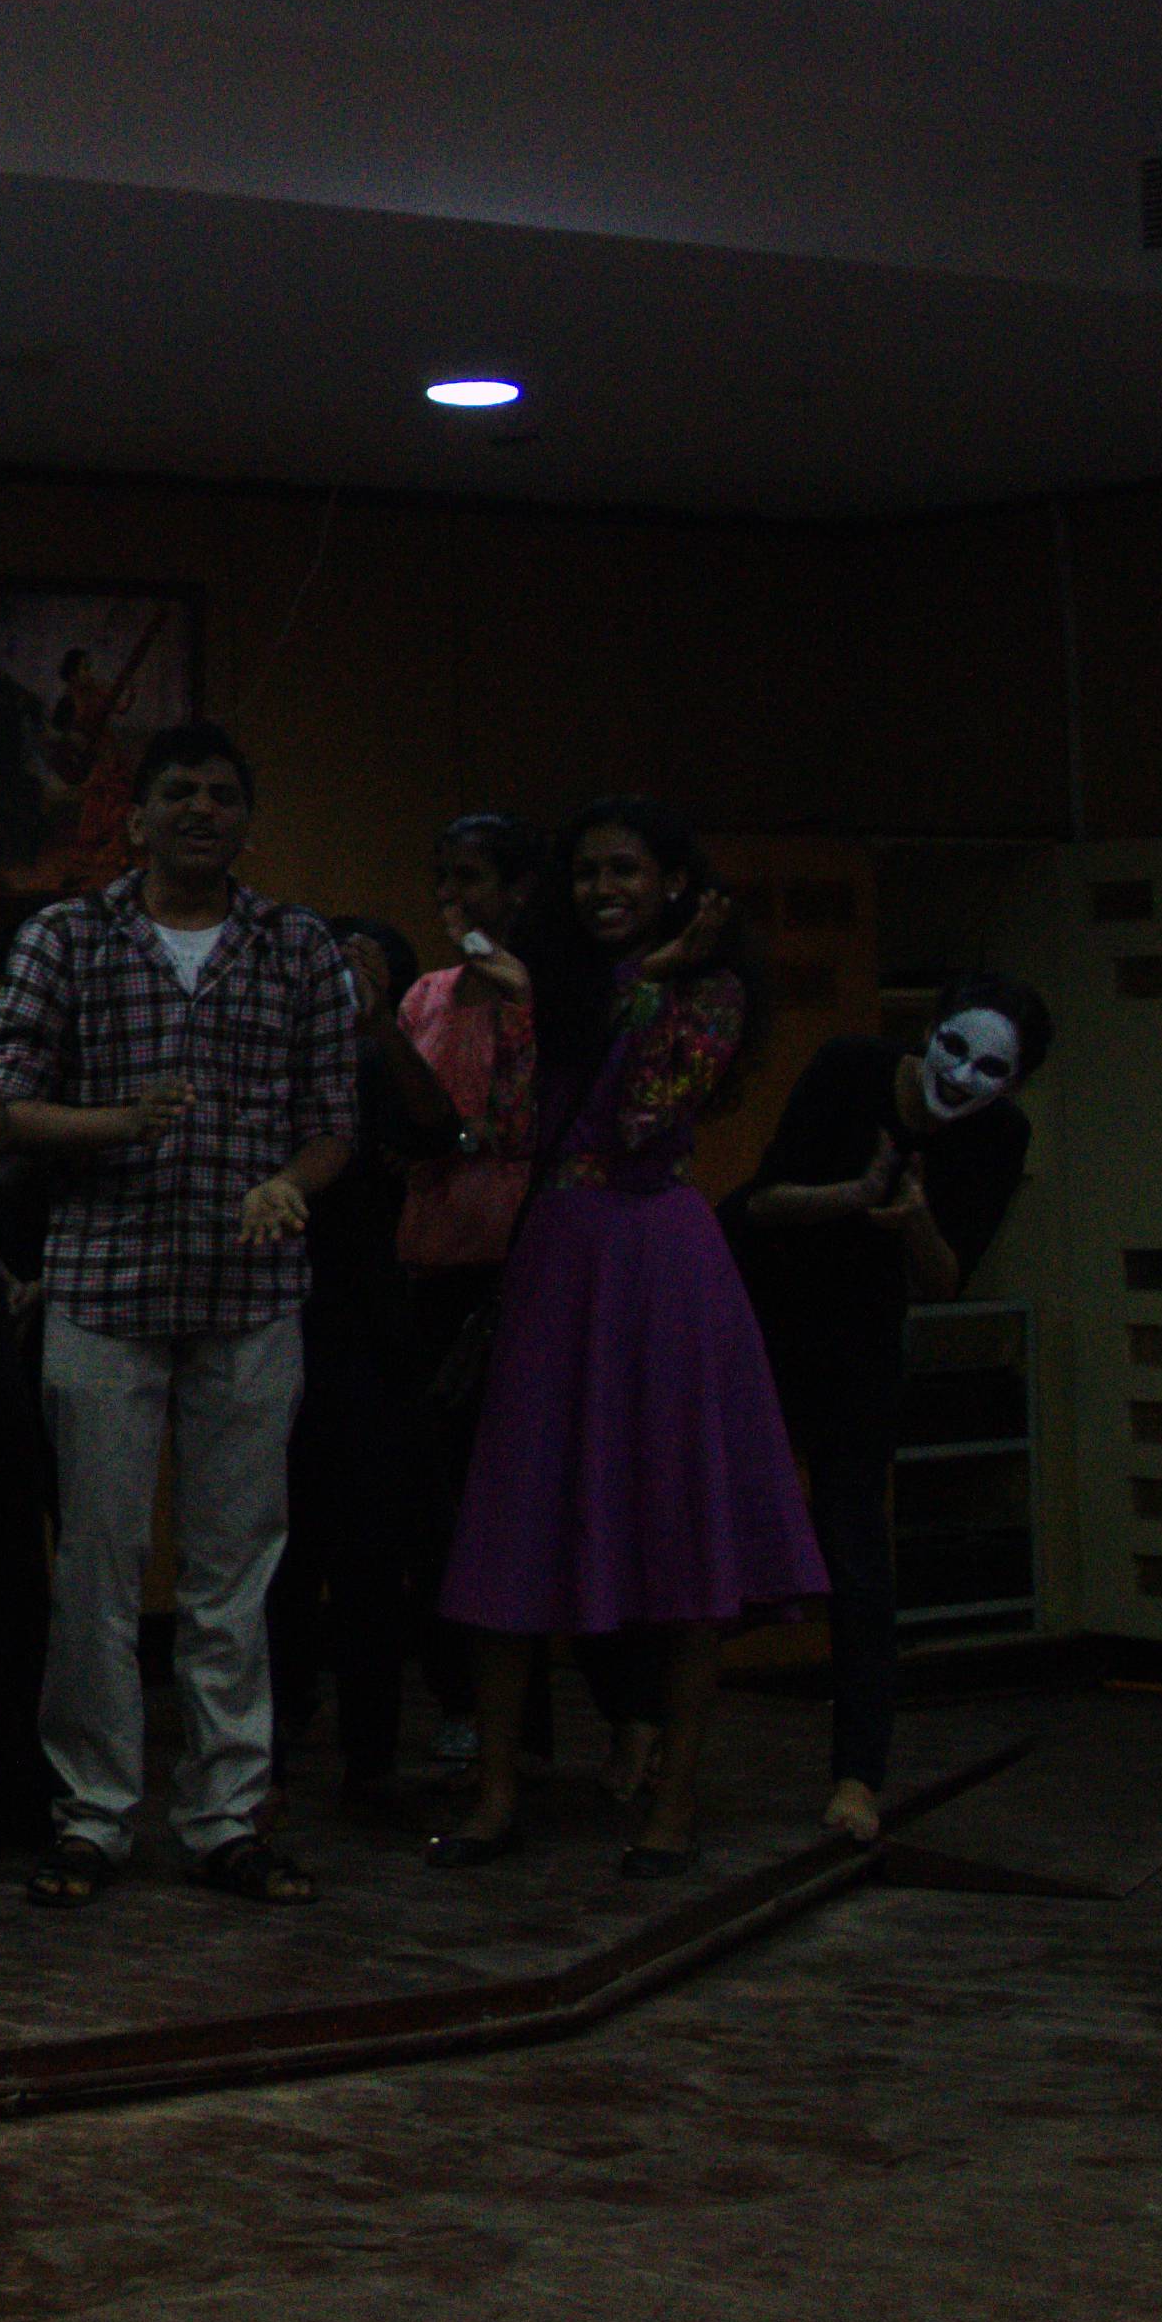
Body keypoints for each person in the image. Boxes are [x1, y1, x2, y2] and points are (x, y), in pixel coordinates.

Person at [0, 721, 358, 1912]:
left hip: (250, 1297)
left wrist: (293, 1182)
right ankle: (91, 1816)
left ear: (247, 819)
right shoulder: (67, 934)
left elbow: (333, 1117)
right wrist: (115, 1124)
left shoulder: (298, 944)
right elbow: (0, 1100)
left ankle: (226, 1817)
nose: (201, 810)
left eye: (223, 794)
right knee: (96, 1564)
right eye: (178, 792)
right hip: (103, 1290)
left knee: (234, 1572)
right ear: (132, 819)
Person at [442, 799, 828, 1872]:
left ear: (674, 883)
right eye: (585, 872)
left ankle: (673, 1805)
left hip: (659, 1258)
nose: (601, 889)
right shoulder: (548, 980)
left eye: (624, 870)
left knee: (683, 1525)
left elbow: (645, 1114)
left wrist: (652, 978)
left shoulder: (714, 989)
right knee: (516, 1514)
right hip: (558, 1255)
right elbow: (512, 1123)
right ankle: (494, 1797)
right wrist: (544, 1002)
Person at [728, 979, 1054, 1840]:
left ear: (1013, 1085)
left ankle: (857, 1779)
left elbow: (944, 1279)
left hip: (860, 1335)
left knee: (857, 1554)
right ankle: (644, 1724)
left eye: (991, 1070)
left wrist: (911, 1218)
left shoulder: (998, 1136)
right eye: (955, 1048)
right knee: (714, 1521)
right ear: (927, 1033)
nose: (962, 1076)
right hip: (757, 1307)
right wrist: (855, 1193)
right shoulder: (849, 1068)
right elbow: (762, 1202)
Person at [276, 916, 483, 1809]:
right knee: (271, 1549)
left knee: (370, 1550)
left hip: (363, 1324)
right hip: (265, 1317)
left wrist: (377, 1025)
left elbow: (439, 1132)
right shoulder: (261, 1056)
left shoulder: (367, 1062)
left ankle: (370, 1757)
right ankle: (272, 1737)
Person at [389, 815, 546, 1779]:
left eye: (473, 878)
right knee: (433, 1499)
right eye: (442, 876)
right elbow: (404, 1112)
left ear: (518, 890)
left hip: (518, 1264)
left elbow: (524, 1122)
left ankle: (533, 1713)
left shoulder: (541, 994)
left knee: (517, 1495)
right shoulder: (427, 995)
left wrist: (516, 995)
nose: (453, 897)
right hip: (428, 1260)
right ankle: (458, 1695)